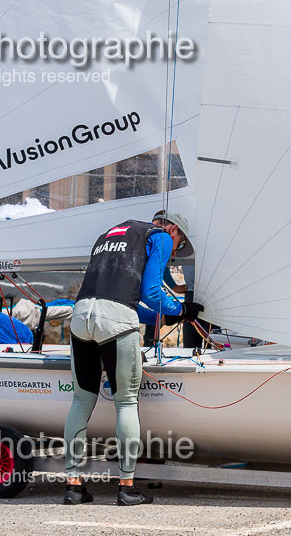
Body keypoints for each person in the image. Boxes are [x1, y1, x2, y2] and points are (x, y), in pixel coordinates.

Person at [63, 209, 199, 506]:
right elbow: (151, 292)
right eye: (178, 248)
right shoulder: (161, 237)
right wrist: (182, 310)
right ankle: (126, 488)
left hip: (81, 316)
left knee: (81, 400)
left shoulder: (109, 235)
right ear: (174, 230)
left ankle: (73, 486)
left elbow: (120, 298)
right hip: (115, 322)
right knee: (125, 402)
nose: (172, 254)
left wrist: (162, 319)